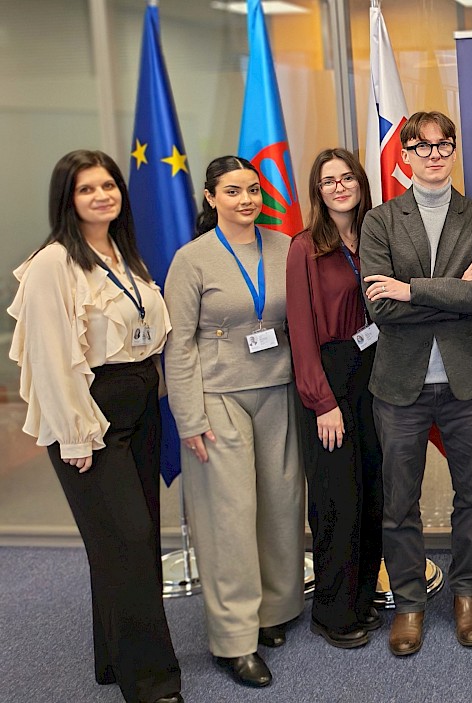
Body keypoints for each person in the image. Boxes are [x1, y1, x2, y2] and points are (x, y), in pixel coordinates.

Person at [8, 150, 182, 703]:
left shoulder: (121, 252)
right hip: (91, 413)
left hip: (141, 406)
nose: (102, 196)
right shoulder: (52, 264)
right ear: (68, 198)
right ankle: (152, 685)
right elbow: (51, 358)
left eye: (108, 185)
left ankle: (114, 659)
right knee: (126, 543)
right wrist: (75, 433)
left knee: (133, 540)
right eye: (87, 189)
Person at [358, 110, 472, 657]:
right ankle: (409, 603)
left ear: (453, 151)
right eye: (423, 146)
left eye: (444, 145)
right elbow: (380, 307)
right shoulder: (380, 221)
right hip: (401, 385)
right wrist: (452, 291)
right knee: (400, 501)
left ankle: (467, 594)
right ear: (405, 155)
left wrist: (411, 289)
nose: (435, 155)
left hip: (467, 382)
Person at [164, 156, 305, 689]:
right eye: (232, 191)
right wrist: (188, 418)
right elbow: (178, 345)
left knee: (281, 505)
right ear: (211, 197)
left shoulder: (285, 246)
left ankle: (272, 612)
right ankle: (234, 640)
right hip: (218, 397)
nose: (246, 200)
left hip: (279, 390)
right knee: (229, 517)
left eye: (252, 190)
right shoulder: (192, 259)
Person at [285, 148, 382, 649]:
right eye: (329, 181)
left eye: (347, 178)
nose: (340, 187)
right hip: (329, 374)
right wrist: (321, 401)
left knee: (371, 491)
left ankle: (362, 598)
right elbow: (300, 330)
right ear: (318, 191)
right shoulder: (305, 247)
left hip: (375, 371)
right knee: (336, 497)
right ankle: (332, 611)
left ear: (361, 183)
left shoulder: (375, 237)